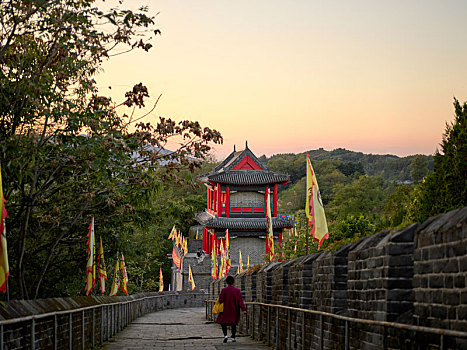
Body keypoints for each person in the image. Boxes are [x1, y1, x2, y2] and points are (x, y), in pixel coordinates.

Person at [216, 275, 247, 343]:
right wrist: (244, 309)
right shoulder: (237, 290)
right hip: (234, 310)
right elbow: (240, 301)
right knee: (233, 323)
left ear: (226, 282)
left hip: (225, 310)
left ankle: (225, 336)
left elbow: (221, 300)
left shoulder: (224, 290)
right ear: (233, 282)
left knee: (223, 323)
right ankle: (233, 337)